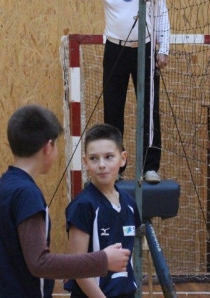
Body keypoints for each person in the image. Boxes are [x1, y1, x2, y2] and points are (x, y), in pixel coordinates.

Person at [0, 104, 131, 298]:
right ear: (48, 147)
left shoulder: (2, 185)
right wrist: (103, 260)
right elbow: (40, 263)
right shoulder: (27, 194)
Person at [71, 0, 170, 184]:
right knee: (113, 109)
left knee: (149, 109)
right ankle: (116, 168)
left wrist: (164, 49)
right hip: (115, 49)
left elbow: (161, 14)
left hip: (145, 49)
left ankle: (150, 167)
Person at [64, 123, 141, 298]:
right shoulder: (83, 205)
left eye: (108, 157)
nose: (101, 165)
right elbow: (78, 267)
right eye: (94, 158)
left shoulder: (129, 203)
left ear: (123, 158)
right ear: (85, 162)